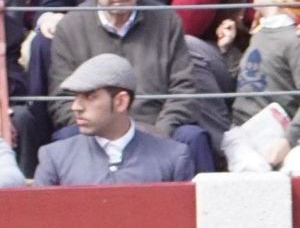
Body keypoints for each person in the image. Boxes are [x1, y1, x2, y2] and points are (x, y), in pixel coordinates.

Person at [46, 0, 216, 171]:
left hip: (158, 127)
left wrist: (161, 131)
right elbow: (62, 99)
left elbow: (184, 89)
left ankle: (205, 202)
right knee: (66, 138)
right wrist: (106, 132)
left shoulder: (167, 20)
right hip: (96, 131)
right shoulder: (70, 26)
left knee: (193, 137)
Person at [35, 52, 196, 184]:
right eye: (76, 97)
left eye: (90, 97)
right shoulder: (54, 157)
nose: (76, 107)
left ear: (120, 101)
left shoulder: (173, 157)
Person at [224, 0, 300, 171]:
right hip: (245, 130)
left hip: (287, 132)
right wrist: (227, 51)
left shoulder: (296, 40)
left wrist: (288, 139)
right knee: (248, 166)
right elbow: (247, 76)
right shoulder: (259, 35)